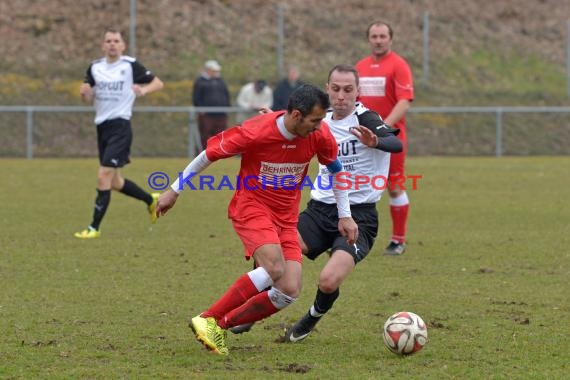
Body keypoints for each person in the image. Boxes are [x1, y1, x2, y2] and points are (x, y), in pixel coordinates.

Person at [155, 84, 358, 355]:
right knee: (274, 267)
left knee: (289, 289)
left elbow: (336, 169)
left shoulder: (318, 135)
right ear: (296, 115)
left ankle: (220, 325)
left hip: (286, 217)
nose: (320, 126)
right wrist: (174, 190)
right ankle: (207, 318)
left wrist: (345, 215)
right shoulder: (256, 131)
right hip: (252, 207)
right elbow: (208, 155)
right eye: (315, 120)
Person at [230, 65, 402, 340]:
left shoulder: (366, 118)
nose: (341, 96)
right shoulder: (318, 121)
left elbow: (396, 144)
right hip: (319, 212)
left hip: (359, 217)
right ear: (328, 90)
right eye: (335, 89)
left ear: (358, 92)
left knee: (328, 280)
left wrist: (377, 141)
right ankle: (251, 312)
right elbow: (287, 126)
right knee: (272, 255)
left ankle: (308, 322)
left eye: (348, 90)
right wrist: (269, 121)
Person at [74, 27, 164, 239]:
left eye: (116, 40)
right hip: (102, 127)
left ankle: (93, 228)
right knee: (115, 182)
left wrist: (143, 90)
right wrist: (84, 94)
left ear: (122, 45)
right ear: (103, 45)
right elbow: (87, 97)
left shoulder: (130, 65)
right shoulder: (95, 68)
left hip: (120, 126)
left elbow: (158, 83)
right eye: (109, 41)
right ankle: (151, 200)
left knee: (103, 175)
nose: (112, 44)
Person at [355, 21, 414, 256]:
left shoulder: (399, 66)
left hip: (389, 138)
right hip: (363, 139)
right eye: (374, 36)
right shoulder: (360, 67)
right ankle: (352, 238)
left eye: (382, 36)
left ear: (390, 39)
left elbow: (404, 101)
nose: (378, 40)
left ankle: (398, 240)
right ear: (368, 39)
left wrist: (384, 128)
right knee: (356, 186)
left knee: (394, 187)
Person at [192, 60, 231, 152]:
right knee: (205, 135)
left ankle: (219, 152)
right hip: (207, 115)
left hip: (221, 114)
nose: (216, 72)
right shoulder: (200, 81)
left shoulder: (220, 81)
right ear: (208, 70)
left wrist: (227, 107)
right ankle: (203, 154)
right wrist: (201, 109)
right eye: (214, 70)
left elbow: (226, 94)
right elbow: (196, 97)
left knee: (220, 134)